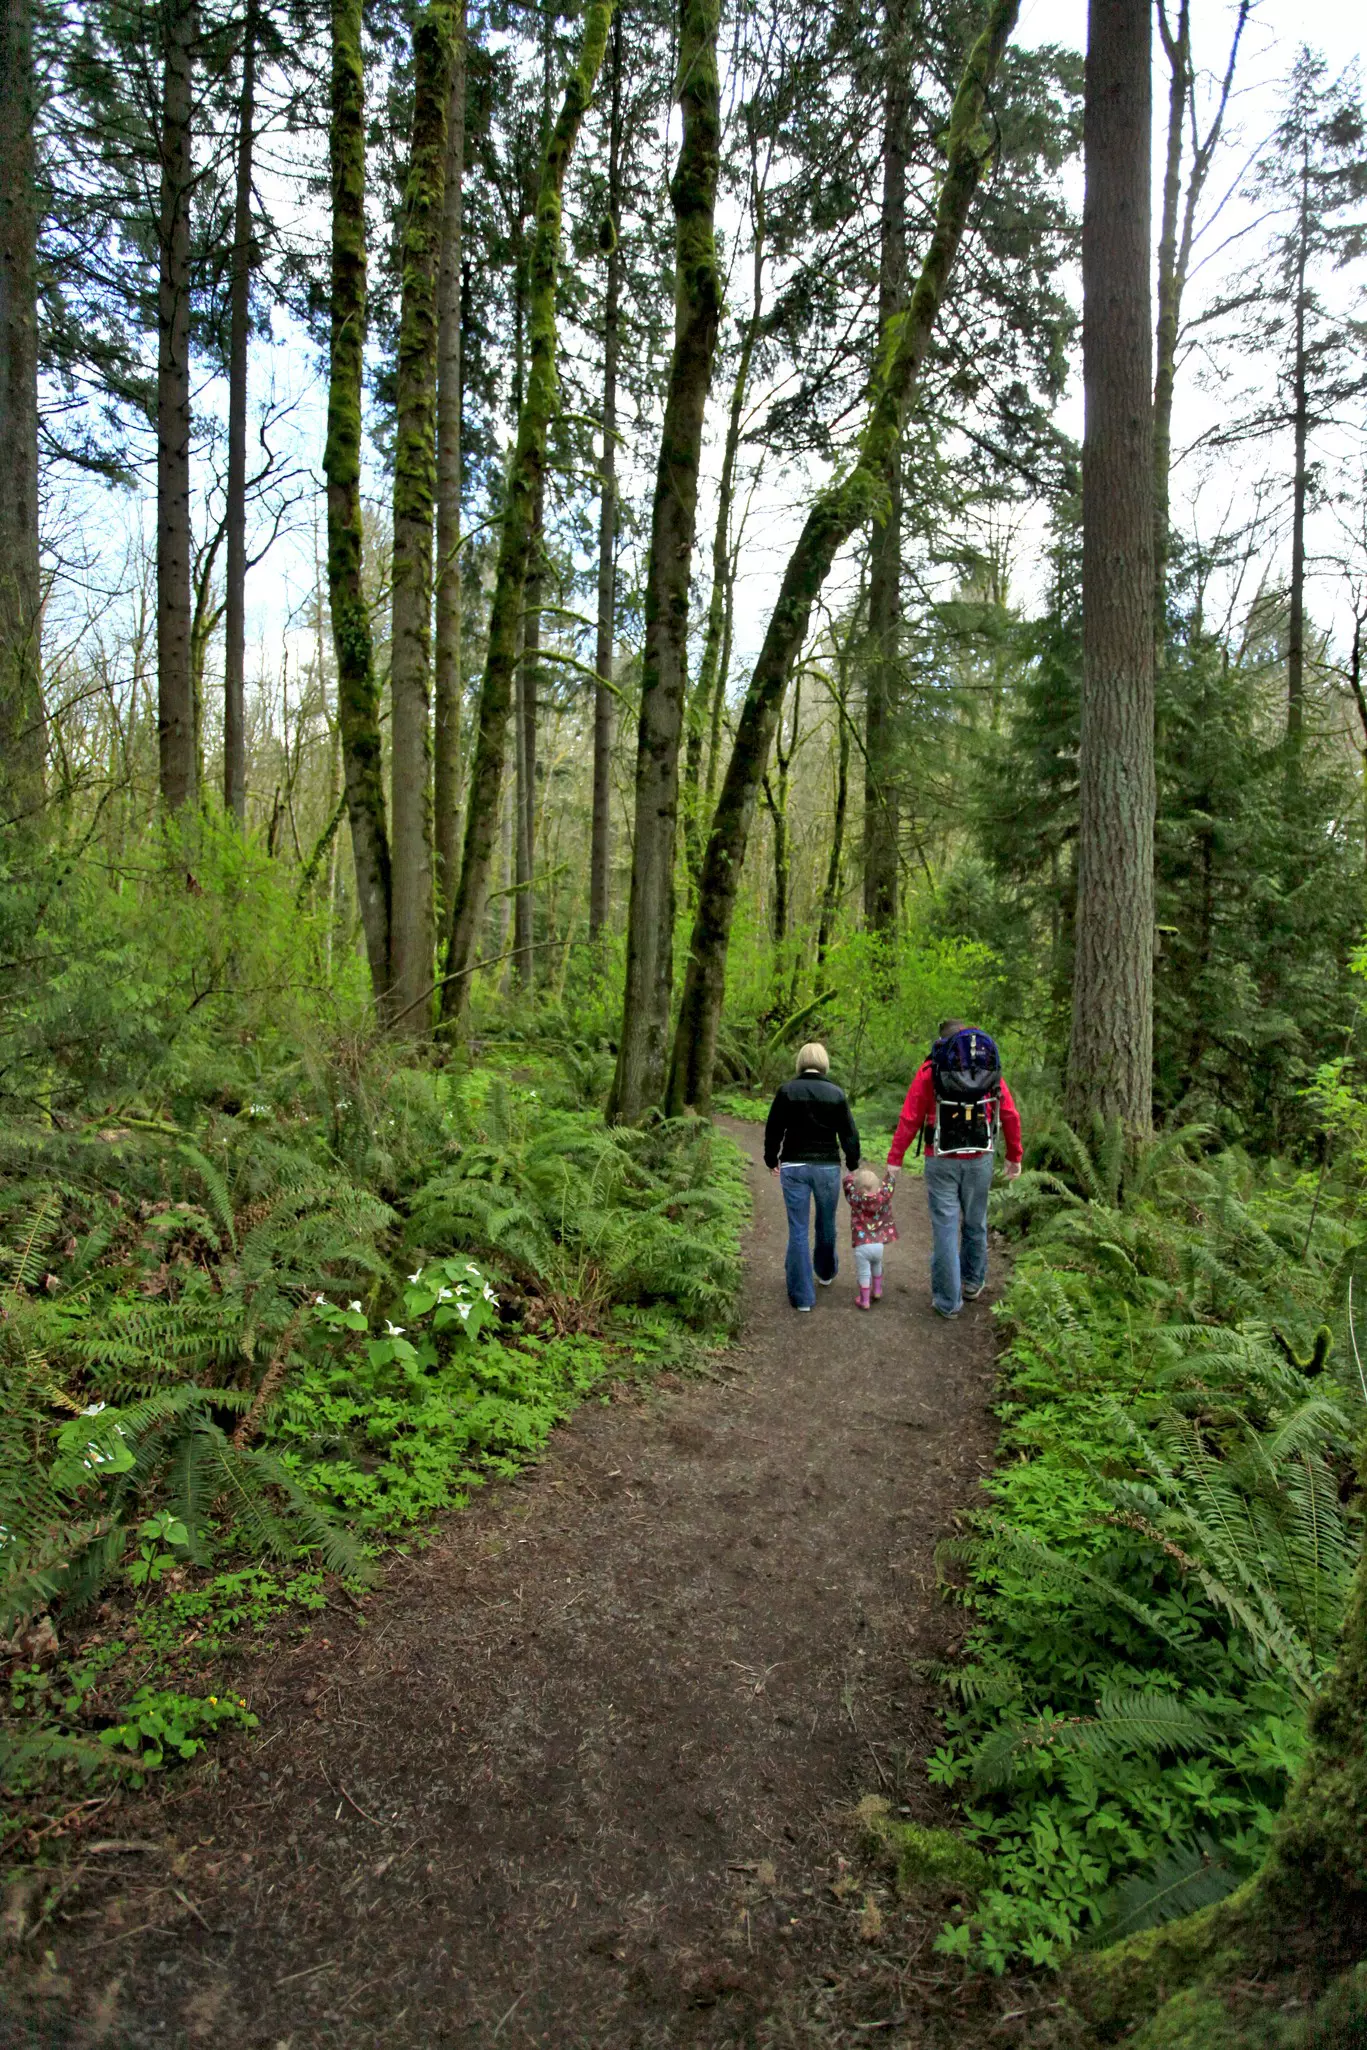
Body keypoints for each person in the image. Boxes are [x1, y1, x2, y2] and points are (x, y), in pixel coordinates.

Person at [887, 1018, 1022, 1319]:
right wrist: (1014, 1155)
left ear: (942, 1042)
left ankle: (948, 1302)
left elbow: (910, 1118)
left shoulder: (930, 1071)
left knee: (945, 1229)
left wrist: (895, 1159)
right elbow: (1010, 1114)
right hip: (980, 1158)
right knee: (975, 1222)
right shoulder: (987, 1069)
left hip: (941, 1157)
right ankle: (972, 1283)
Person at [763, 1043, 860, 1312]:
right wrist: (852, 1162)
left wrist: (771, 1159)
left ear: (801, 1062)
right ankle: (826, 1272)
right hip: (827, 1167)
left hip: (794, 1166)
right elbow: (849, 1132)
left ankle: (802, 1296)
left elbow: (774, 1129)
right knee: (826, 1222)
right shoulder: (836, 1093)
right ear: (824, 1062)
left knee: (798, 1229)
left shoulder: (786, 1091)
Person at [842, 1163, 898, 1311]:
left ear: (857, 1188)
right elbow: (888, 1188)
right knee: (877, 1265)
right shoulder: (883, 1197)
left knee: (864, 1272)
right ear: (877, 1187)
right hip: (878, 1243)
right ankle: (878, 1291)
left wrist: (849, 1175)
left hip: (862, 1244)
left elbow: (848, 1188)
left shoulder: (855, 1198)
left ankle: (864, 1300)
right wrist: (890, 1175)